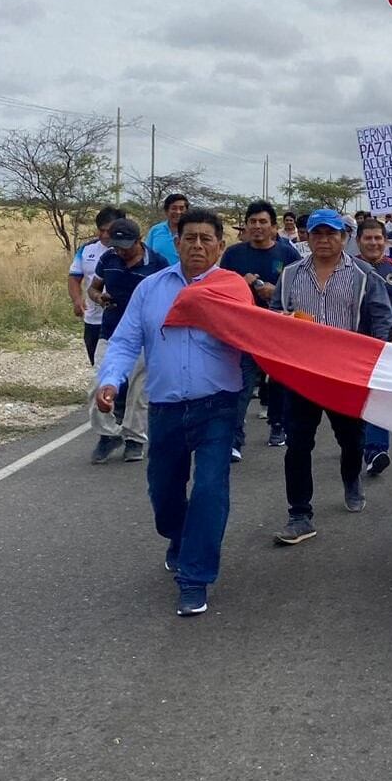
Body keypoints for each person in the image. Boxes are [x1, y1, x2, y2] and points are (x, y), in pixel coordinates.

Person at [97, 210, 245, 618]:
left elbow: (256, 338)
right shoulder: (150, 290)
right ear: (176, 243)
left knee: (210, 490)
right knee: (164, 493)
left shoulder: (232, 289)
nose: (197, 245)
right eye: (189, 238)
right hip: (164, 408)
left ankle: (195, 578)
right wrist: (111, 381)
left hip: (217, 406)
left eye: (206, 239)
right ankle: (178, 538)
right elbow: (126, 341)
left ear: (220, 246)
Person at [268, 210, 392, 544]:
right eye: (317, 233)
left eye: (331, 233)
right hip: (303, 374)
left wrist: (380, 360)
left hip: (345, 375)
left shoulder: (364, 275)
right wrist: (284, 321)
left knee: (351, 440)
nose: (323, 240)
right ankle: (299, 514)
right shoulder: (292, 274)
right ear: (307, 237)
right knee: (297, 444)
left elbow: (382, 318)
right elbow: (273, 318)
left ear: (344, 237)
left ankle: (351, 477)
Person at [220, 200, 303, 455]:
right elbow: (220, 289)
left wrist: (274, 291)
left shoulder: (288, 254)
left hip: (278, 330)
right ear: (245, 226)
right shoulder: (233, 255)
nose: (257, 226)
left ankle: (278, 425)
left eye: (263, 222)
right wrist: (240, 286)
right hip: (243, 330)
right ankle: (234, 438)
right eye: (252, 222)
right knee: (241, 383)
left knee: (279, 381)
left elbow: (301, 291)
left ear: (273, 226)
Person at [86, 218, 165, 463]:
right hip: (111, 331)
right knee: (98, 386)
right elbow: (93, 288)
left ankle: (134, 438)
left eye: (126, 245)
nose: (120, 250)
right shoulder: (108, 259)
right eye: (117, 244)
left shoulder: (157, 264)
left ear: (139, 240)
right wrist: (99, 297)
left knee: (139, 391)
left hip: (145, 336)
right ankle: (108, 434)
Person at [357, 218, 392, 476]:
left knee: (377, 395)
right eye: (368, 238)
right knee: (354, 400)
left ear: (385, 241)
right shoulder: (348, 269)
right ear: (358, 241)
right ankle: (355, 442)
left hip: (384, 347)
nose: (373, 243)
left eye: (378, 238)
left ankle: (376, 450)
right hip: (352, 345)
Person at [69, 206, 121, 364]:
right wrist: (77, 300)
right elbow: (74, 277)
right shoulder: (86, 250)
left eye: (109, 230)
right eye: (101, 230)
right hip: (94, 320)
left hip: (121, 320)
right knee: (97, 366)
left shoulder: (130, 250)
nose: (104, 235)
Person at [146, 193, 189, 266]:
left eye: (181, 208)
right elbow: (147, 255)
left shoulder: (192, 232)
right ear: (166, 211)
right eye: (174, 208)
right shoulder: (155, 230)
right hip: (159, 275)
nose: (178, 212)